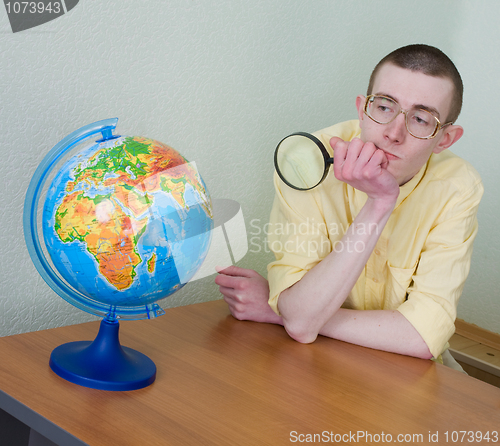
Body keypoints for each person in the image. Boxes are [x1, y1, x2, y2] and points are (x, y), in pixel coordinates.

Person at [215, 44, 483, 367]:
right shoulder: (305, 163)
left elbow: (423, 338)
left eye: (422, 119)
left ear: (445, 139)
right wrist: (380, 204)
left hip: (410, 371)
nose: (394, 134)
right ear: (362, 109)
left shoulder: (458, 186)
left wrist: (282, 314)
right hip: (313, 363)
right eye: (384, 107)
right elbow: (301, 324)